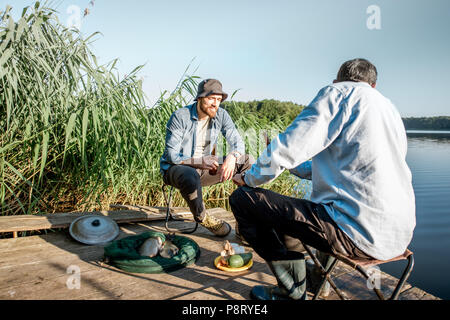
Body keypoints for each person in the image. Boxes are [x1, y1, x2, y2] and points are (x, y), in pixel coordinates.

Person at [230, 58, 416, 300]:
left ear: (337, 81)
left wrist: (249, 178)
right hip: (398, 236)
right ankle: (319, 277)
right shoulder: (389, 109)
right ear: (374, 85)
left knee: (243, 200)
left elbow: (289, 146)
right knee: (307, 209)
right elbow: (327, 167)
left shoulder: (339, 93)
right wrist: (287, 166)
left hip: (356, 234)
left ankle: (291, 292)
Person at [160, 79, 253, 237]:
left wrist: (232, 156)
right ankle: (203, 217)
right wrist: (198, 162)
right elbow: (171, 154)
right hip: (176, 170)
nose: (215, 104)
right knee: (189, 173)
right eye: (211, 99)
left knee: (247, 160)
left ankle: (244, 222)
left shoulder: (221, 115)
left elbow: (238, 143)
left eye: (218, 100)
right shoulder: (180, 116)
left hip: (205, 171)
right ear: (200, 98)